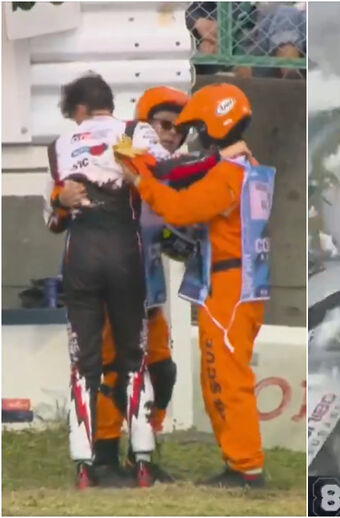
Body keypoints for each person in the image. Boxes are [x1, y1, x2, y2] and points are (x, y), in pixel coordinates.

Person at [46, 86, 241, 485]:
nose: (171, 136)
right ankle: (102, 457)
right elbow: (55, 214)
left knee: (160, 371)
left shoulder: (89, 151)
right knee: (109, 367)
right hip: (117, 270)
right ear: (146, 124)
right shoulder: (135, 148)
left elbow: (184, 232)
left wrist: (184, 238)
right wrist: (63, 201)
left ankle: (139, 454)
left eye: (179, 131)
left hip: (144, 288)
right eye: (164, 126)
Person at [116, 83, 273, 488]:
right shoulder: (245, 166)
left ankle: (245, 467)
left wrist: (141, 181)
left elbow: (179, 206)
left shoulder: (229, 173)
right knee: (218, 376)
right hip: (238, 283)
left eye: (199, 127)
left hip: (229, 286)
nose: (195, 137)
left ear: (215, 123)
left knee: (226, 378)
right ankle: (239, 462)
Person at [45, 75, 169, 489]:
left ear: (77, 110)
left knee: (85, 360)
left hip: (79, 251)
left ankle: (84, 466)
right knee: (134, 354)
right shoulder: (137, 132)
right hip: (124, 249)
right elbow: (163, 180)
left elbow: (52, 221)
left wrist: (60, 202)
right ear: (108, 104)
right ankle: (144, 461)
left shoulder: (58, 147)